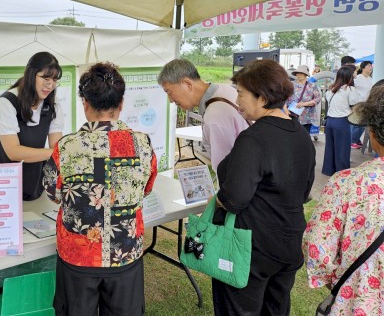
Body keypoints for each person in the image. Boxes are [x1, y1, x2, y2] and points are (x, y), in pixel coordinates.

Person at [43, 62, 157, 316]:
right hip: (125, 251)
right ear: (121, 103)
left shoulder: (67, 146)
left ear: (85, 103)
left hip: (78, 254)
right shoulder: (143, 144)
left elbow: (53, 193)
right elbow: (146, 188)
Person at [212, 59, 315, 315]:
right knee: (276, 308)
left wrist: (217, 200)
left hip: (251, 249)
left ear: (262, 97)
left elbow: (234, 198)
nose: (237, 102)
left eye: (241, 94)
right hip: (288, 243)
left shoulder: (253, 138)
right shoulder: (299, 132)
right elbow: (304, 192)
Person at [303, 85, 384, 315]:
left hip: (359, 304)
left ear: (373, 133)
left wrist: (344, 282)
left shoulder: (346, 183)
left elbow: (318, 249)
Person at [0, 51, 64, 201]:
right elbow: (13, 152)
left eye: (55, 79)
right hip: (0, 172)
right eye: (45, 77)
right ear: (31, 75)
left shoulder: (53, 105)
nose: (50, 84)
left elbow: (57, 145)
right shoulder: (7, 102)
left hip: (31, 174)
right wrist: (56, 153)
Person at [157, 59, 248, 172]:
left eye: (169, 92)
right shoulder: (225, 89)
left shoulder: (214, 116)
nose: (170, 100)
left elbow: (224, 170)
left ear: (187, 84)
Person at [322, 65, 361, 176]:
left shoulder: (331, 89)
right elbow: (353, 105)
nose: (355, 74)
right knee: (342, 149)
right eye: (354, 72)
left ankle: (328, 170)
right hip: (342, 121)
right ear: (349, 75)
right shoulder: (350, 89)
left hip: (330, 121)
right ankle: (342, 173)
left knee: (330, 147)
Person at [286, 65, 322, 133]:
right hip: (292, 115)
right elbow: (283, 98)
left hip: (307, 116)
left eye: (301, 73)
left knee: (305, 138)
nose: (299, 74)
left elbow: (318, 98)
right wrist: (285, 110)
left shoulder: (312, 85)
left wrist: (305, 104)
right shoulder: (290, 84)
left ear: (305, 74)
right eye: (297, 73)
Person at [351, 60, 373, 149]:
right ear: (363, 68)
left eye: (371, 66)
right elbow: (351, 88)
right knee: (356, 124)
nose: (371, 67)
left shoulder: (370, 79)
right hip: (358, 103)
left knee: (363, 124)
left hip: (367, 104)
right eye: (368, 66)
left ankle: (356, 139)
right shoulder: (358, 78)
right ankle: (352, 141)